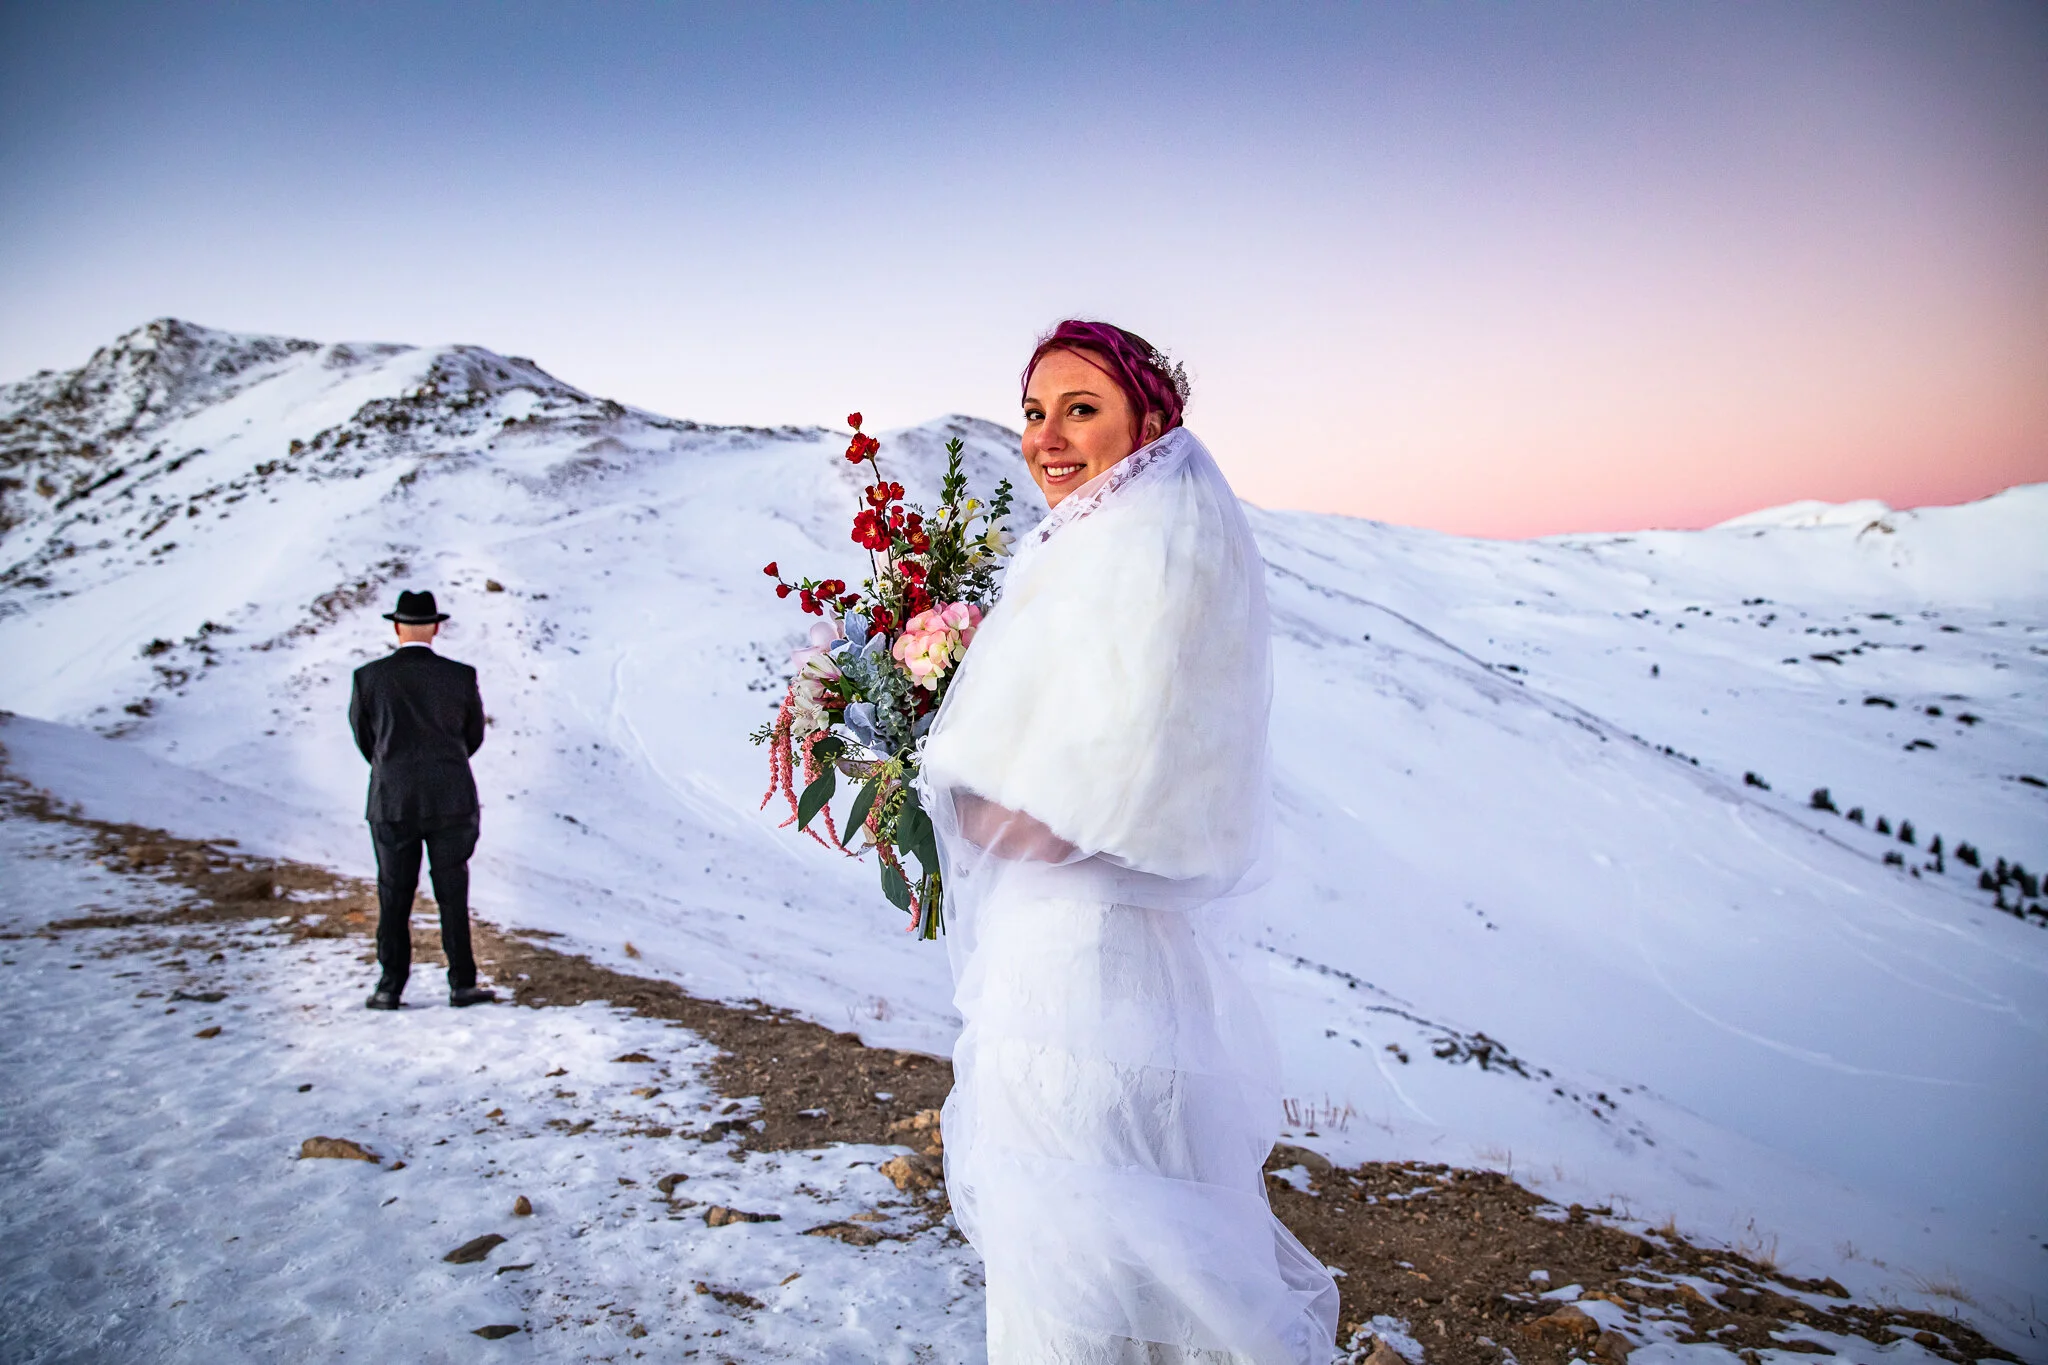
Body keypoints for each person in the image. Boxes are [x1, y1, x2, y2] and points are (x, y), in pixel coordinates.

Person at [920, 322, 1339, 1362]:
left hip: (1083, 961)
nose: (1047, 437)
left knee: (1092, 1235)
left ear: (1147, 420)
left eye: (1080, 409)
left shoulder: (1147, 544)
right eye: (1032, 412)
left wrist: (972, 802)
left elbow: (1118, 776)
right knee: (1078, 1237)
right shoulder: (1107, 533)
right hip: (1073, 948)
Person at [348, 589, 495, 1010]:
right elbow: (473, 736)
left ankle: (389, 987)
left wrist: (393, 766)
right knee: (453, 892)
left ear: (396, 627)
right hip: (450, 797)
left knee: (394, 893)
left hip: (392, 800)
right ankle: (462, 984)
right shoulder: (460, 676)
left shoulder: (368, 677)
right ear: (435, 627)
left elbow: (365, 738)